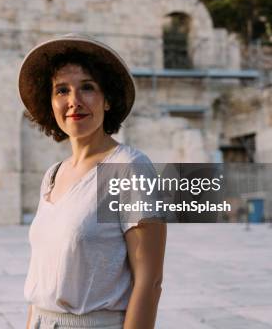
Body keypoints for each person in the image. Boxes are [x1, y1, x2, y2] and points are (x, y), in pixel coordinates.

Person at [19, 34, 167, 329]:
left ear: (107, 99)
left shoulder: (129, 168)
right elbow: (41, 286)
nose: (74, 101)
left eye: (87, 87)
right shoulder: (52, 175)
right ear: (50, 103)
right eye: (62, 90)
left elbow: (149, 281)